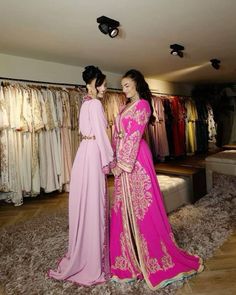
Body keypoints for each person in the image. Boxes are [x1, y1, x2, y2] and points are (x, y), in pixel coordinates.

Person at [110, 69, 204, 290]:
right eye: (122, 86)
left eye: (127, 85)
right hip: (124, 158)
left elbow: (134, 136)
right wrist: (115, 158)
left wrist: (121, 164)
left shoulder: (143, 105)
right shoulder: (125, 106)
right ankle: (130, 253)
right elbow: (119, 134)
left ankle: (151, 253)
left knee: (143, 205)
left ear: (137, 85)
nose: (124, 89)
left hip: (136, 160)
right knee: (124, 206)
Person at [48, 66, 114, 286]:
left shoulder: (85, 103)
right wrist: (109, 160)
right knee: (94, 202)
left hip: (83, 154)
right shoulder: (94, 104)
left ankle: (83, 248)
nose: (105, 88)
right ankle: (92, 254)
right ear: (94, 82)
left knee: (85, 201)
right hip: (94, 152)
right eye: (103, 83)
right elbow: (102, 135)